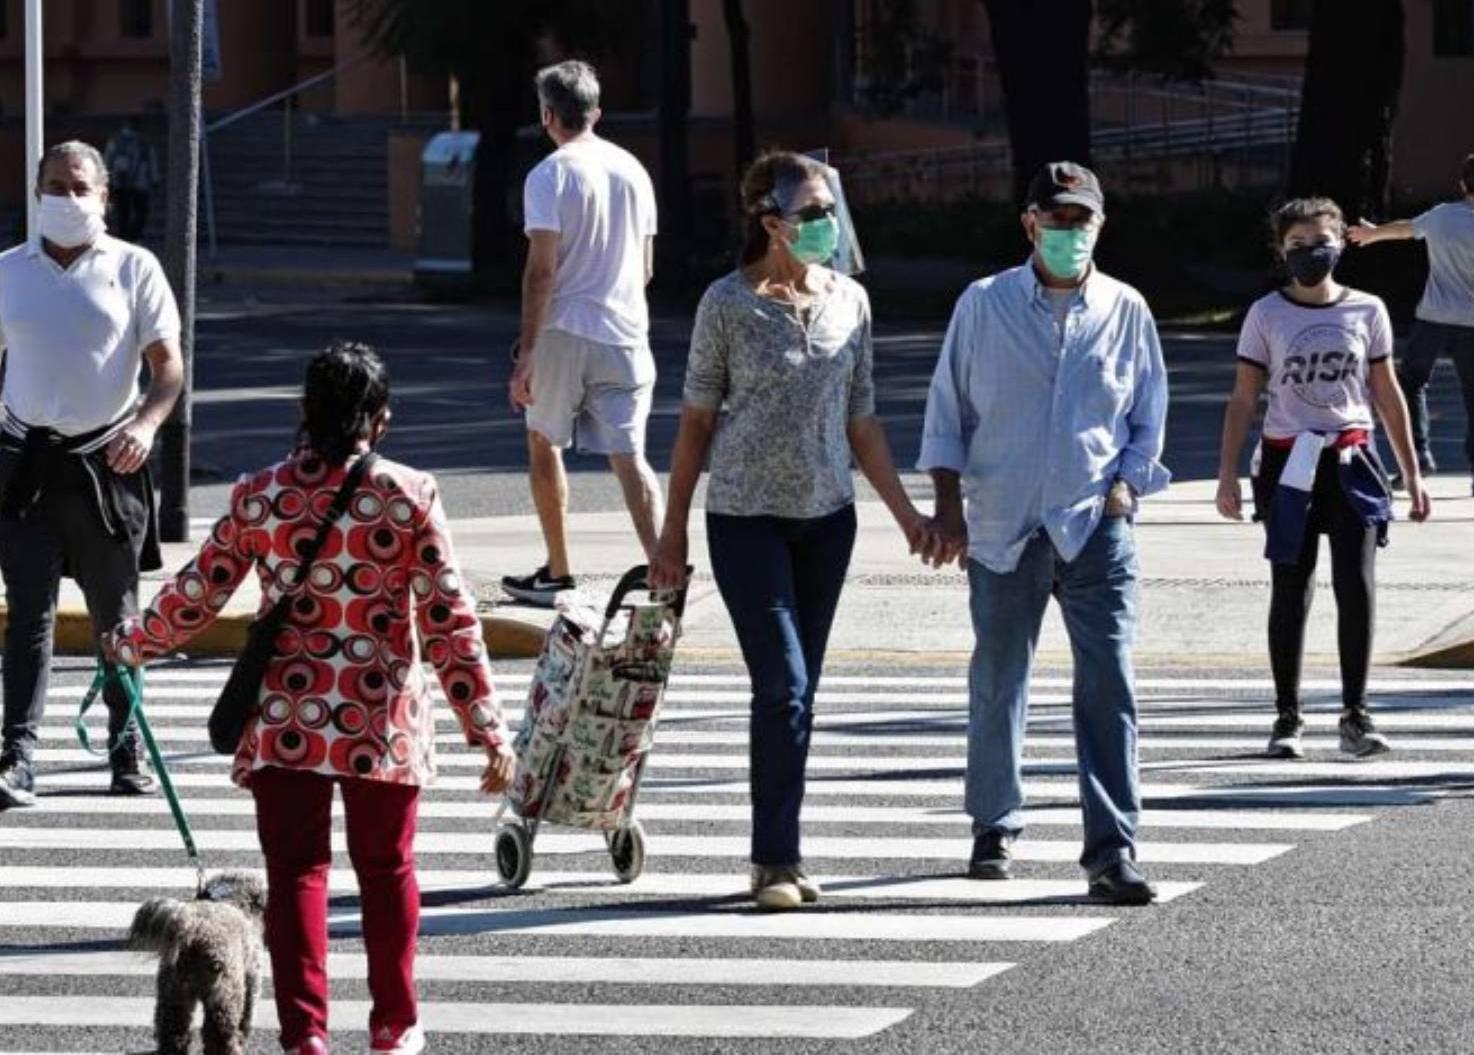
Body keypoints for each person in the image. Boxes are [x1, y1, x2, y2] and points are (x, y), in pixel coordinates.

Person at [107, 343, 518, 1055]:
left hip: (286, 714)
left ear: (304, 411)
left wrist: (137, 641)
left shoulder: (261, 493)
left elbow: (201, 590)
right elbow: (451, 620)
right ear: (380, 421)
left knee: (297, 871)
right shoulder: (409, 494)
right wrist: (486, 728)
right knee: (387, 868)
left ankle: (306, 1035)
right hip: (379, 714)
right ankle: (394, 1023)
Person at [648, 152, 930, 911]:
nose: (827, 224)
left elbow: (862, 419)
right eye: (812, 213)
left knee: (801, 697)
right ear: (772, 223)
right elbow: (696, 424)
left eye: (831, 209)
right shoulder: (726, 305)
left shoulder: (852, 302)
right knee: (784, 686)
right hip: (744, 521)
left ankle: (788, 847)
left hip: (827, 519)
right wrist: (668, 537)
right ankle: (773, 859)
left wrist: (906, 516)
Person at [918, 161, 1169, 906]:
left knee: (1110, 686)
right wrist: (947, 507)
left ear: (1100, 223)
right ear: (1030, 222)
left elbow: (1148, 410)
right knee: (999, 678)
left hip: (1095, 522)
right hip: (1003, 525)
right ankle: (994, 822)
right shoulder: (984, 304)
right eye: (1056, 220)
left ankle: (1112, 847)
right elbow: (947, 412)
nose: (1069, 232)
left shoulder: (1125, 308)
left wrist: (1128, 483)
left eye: (1080, 220)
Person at [1216, 198, 1433, 762]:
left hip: (1352, 459)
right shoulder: (1267, 313)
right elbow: (1244, 397)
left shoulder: (1368, 310)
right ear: (1281, 251)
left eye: (1321, 242)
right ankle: (1287, 716)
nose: (1311, 253)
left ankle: (1357, 715)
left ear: (1340, 244)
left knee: (1356, 586)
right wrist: (1228, 475)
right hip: (1288, 461)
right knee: (1292, 588)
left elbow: (1386, 394)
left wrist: (1411, 474)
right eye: (1297, 245)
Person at [0, 142, 183, 808]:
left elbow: (169, 369)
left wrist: (146, 425)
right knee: (29, 618)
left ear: (104, 195)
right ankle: (16, 756)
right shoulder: (9, 271)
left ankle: (125, 749)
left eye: (80, 187)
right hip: (26, 464)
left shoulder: (135, 269)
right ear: (36, 190)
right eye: (55, 185)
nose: (67, 198)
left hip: (110, 464)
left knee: (118, 620)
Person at [504, 59, 664, 606]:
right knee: (631, 455)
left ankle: (559, 569)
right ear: (595, 111)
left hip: (564, 328)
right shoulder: (634, 171)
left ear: (548, 114)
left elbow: (541, 271)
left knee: (543, 437)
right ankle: (664, 571)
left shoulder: (549, 174)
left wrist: (527, 352)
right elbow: (645, 268)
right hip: (625, 330)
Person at [1348, 151, 1474, 497]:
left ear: (1462, 185)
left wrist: (1373, 234)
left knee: (1412, 383)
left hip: (1432, 319)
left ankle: (1421, 454)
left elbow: (1405, 229)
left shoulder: (1441, 215)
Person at [104, 116, 160, 242]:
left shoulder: (143, 142)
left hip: (135, 183)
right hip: (125, 182)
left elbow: (151, 160)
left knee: (135, 212)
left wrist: (155, 179)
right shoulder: (118, 141)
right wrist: (107, 178)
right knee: (127, 212)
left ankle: (130, 236)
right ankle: (127, 236)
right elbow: (108, 160)